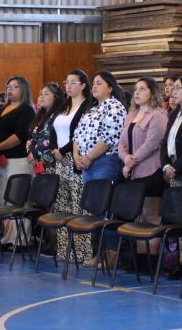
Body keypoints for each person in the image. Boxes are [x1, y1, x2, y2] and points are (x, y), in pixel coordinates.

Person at [118, 77, 169, 260]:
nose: (137, 92)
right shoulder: (131, 114)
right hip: (133, 172)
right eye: (136, 89)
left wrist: (131, 161)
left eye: (142, 89)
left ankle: (152, 259)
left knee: (151, 216)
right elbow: (121, 143)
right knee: (139, 216)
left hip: (150, 170)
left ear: (152, 92)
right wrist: (125, 158)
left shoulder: (158, 115)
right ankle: (140, 257)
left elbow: (152, 143)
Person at [0, 76, 35, 247]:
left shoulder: (26, 110)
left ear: (23, 90)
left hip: (18, 159)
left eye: (15, 86)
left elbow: (19, 136)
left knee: (18, 199)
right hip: (0, 160)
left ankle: (21, 239)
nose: (10, 89)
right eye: (8, 86)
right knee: (4, 200)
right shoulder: (1, 109)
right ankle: (7, 238)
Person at [49, 70, 92, 263]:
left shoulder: (87, 106)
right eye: (66, 82)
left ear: (83, 85)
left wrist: (64, 152)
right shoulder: (64, 106)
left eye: (73, 82)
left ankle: (82, 252)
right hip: (60, 162)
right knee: (62, 207)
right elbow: (53, 131)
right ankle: (66, 251)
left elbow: (78, 134)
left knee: (78, 208)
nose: (68, 85)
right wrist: (54, 150)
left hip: (73, 161)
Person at [74, 71, 127, 185]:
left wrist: (88, 157)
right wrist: (76, 156)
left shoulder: (115, 107)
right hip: (86, 164)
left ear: (110, 88)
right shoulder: (91, 109)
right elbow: (77, 134)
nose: (94, 86)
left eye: (99, 83)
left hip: (105, 162)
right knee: (90, 202)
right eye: (93, 84)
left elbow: (109, 138)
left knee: (101, 200)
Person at [26, 83, 65, 176]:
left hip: (53, 164)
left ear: (56, 97)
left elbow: (51, 139)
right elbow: (31, 138)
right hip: (38, 164)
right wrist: (31, 153)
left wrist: (35, 154)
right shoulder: (40, 117)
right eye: (40, 94)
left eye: (46, 94)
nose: (41, 97)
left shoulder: (60, 116)